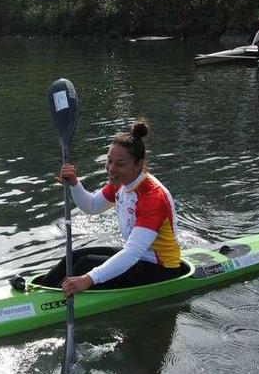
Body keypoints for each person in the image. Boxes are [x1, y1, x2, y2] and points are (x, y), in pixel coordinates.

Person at [38, 122, 185, 296]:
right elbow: (92, 206)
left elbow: (131, 253)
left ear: (138, 165)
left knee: (86, 265)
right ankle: (42, 292)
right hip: (138, 260)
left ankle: (52, 300)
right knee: (75, 256)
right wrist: (74, 185)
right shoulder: (120, 183)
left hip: (161, 269)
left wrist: (88, 279)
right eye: (109, 161)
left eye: (120, 164)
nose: (111, 169)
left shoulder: (152, 197)